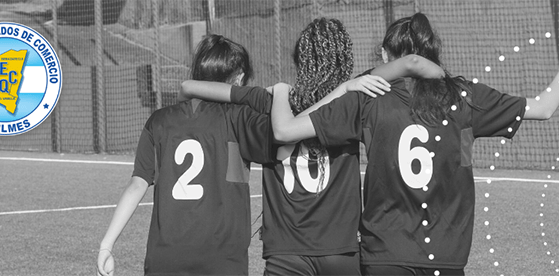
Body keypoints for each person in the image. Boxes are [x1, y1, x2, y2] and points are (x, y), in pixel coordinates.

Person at [268, 12, 559, 276]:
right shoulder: (464, 95)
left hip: (384, 253)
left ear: (384, 55)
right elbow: (543, 108)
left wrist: (340, 87)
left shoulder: (368, 96)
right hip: (446, 255)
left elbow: (286, 131)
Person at [179, 18, 444, 276]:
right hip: (340, 249)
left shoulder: (269, 99)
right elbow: (409, 69)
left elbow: (190, 86)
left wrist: (278, 91)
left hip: (285, 251)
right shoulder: (354, 100)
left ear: (300, 60)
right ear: (344, 61)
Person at [96, 34, 276, 276]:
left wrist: (106, 245)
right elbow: (282, 134)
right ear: (239, 78)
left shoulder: (159, 121)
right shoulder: (240, 118)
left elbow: (137, 184)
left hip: (165, 258)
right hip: (222, 260)